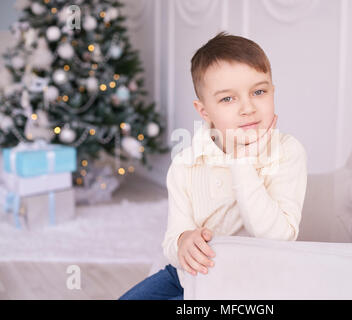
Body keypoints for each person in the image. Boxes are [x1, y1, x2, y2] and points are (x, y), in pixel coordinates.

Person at [119, 31, 308, 300]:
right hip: (189, 275)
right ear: (204, 111)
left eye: (259, 91)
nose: (248, 108)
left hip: (252, 283)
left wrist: (241, 163)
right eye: (228, 99)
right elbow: (173, 238)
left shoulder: (287, 152)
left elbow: (278, 237)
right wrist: (184, 241)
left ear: (272, 92)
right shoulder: (187, 164)